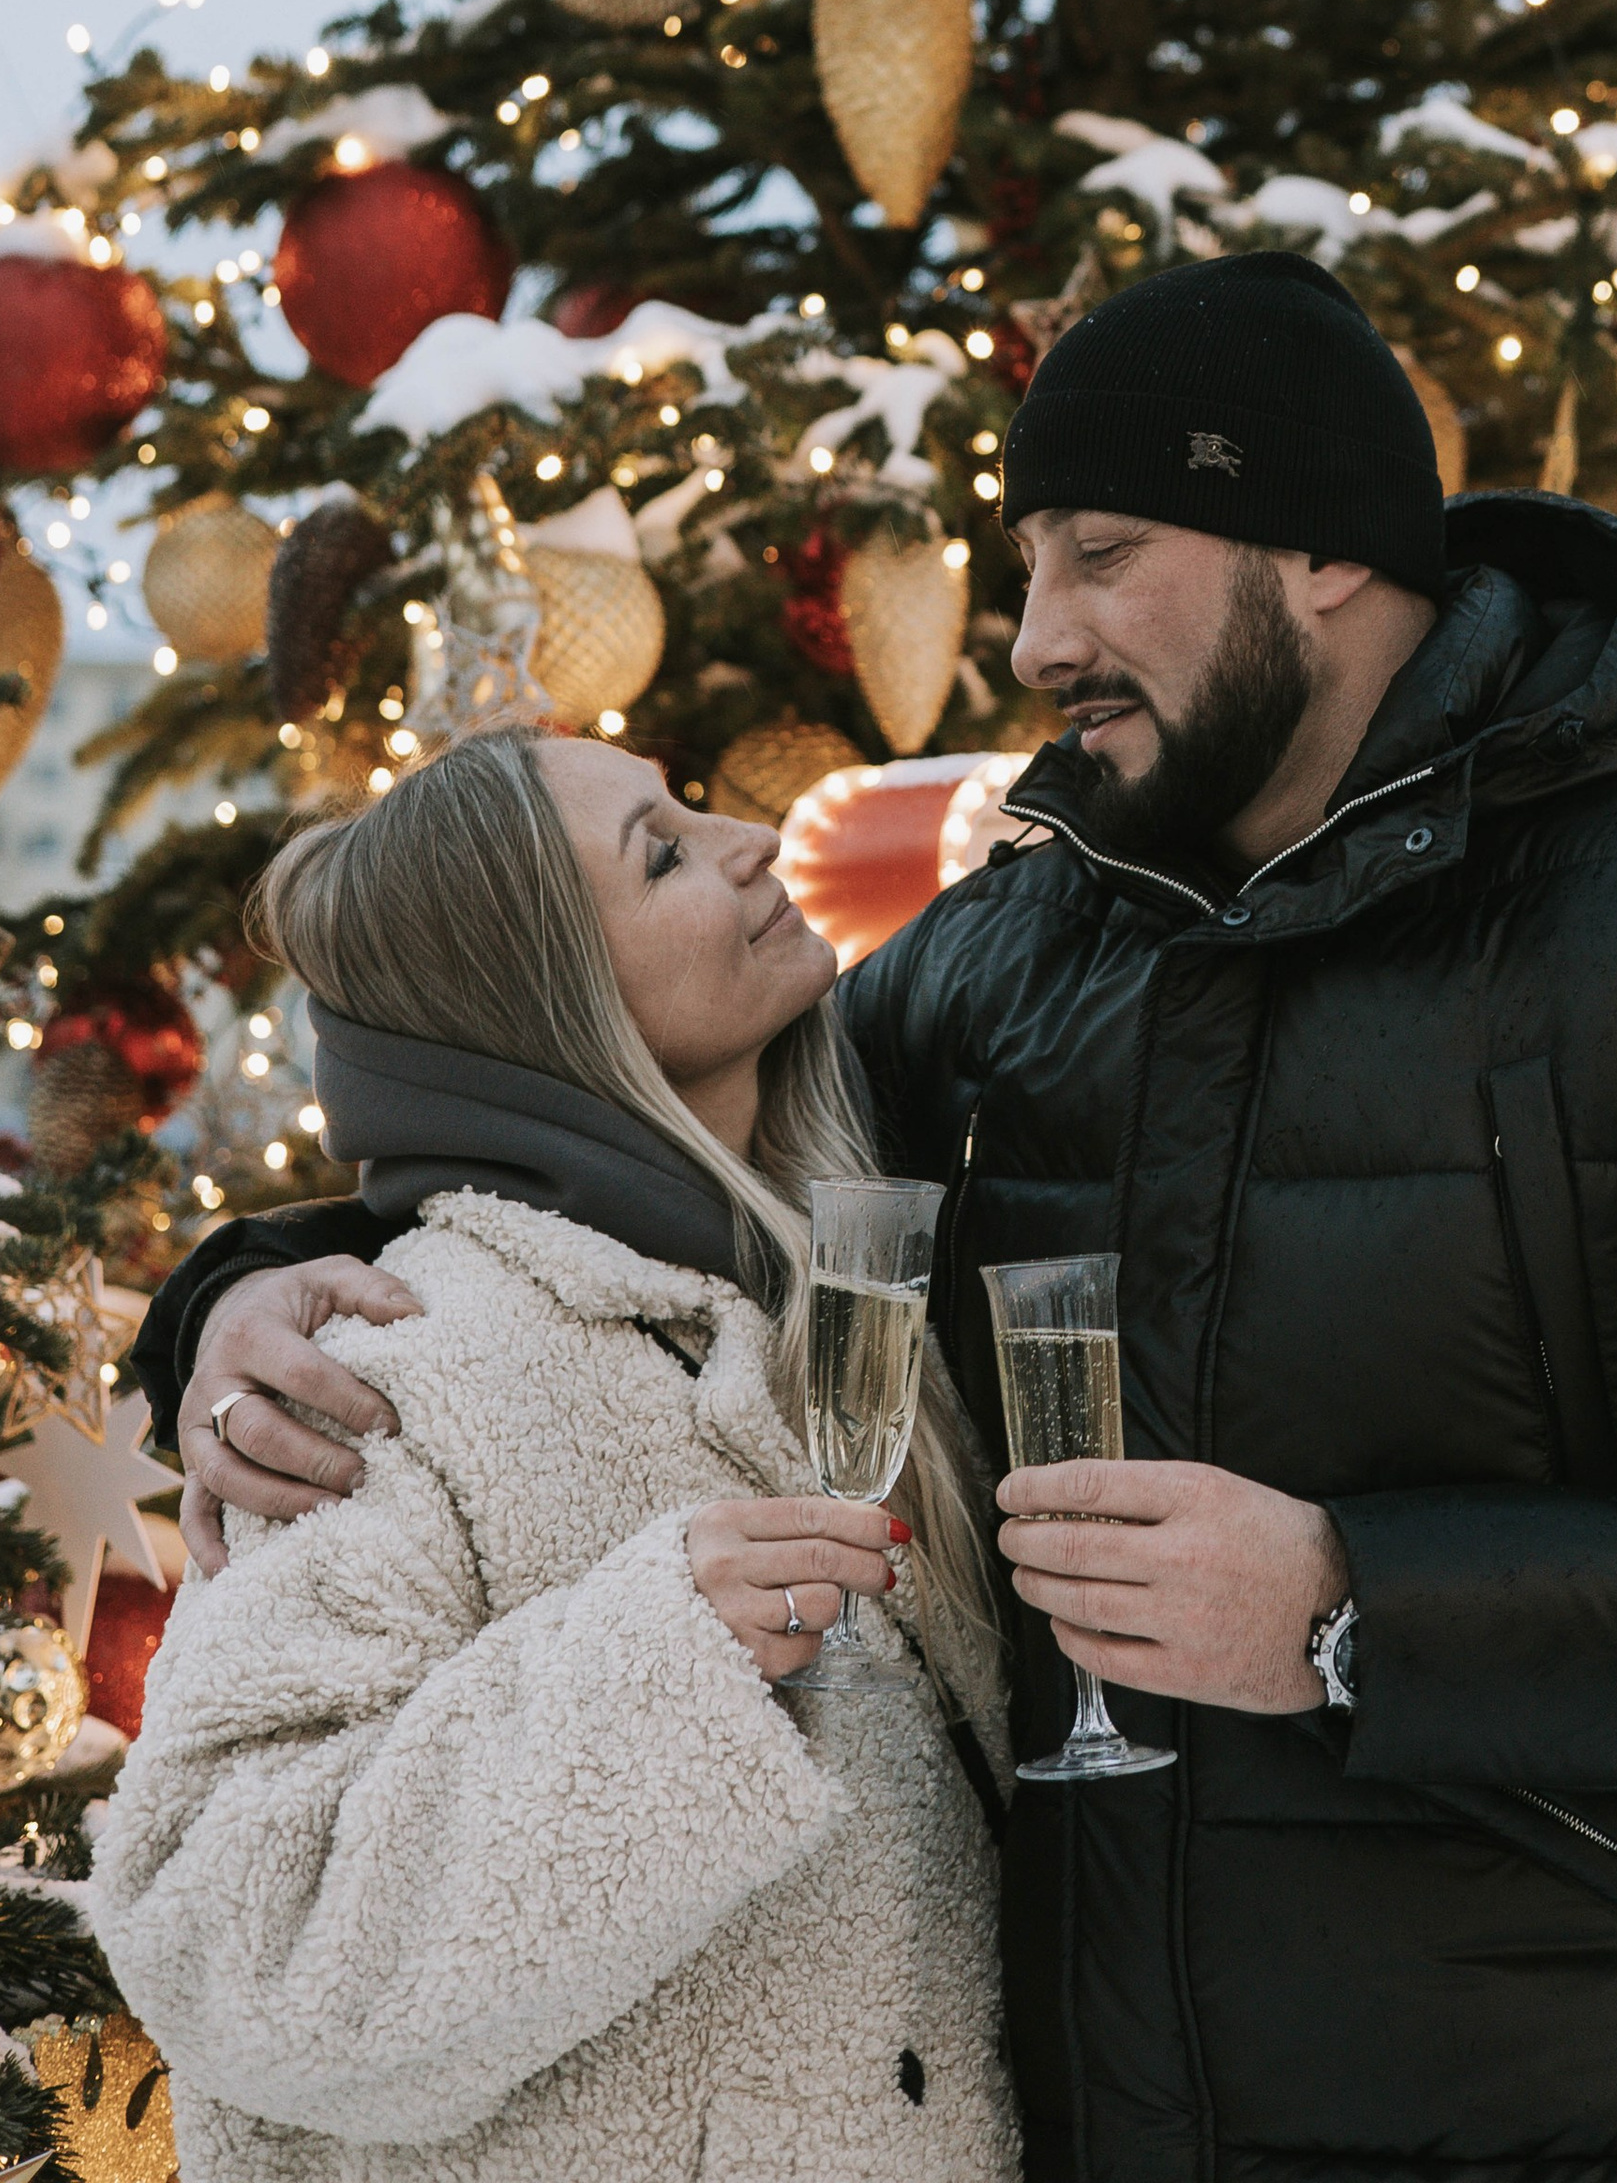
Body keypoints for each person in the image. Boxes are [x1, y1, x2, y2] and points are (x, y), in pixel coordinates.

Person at [140, 253, 1617, 2183]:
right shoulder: (1011, 960)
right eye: (1027, 566)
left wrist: (1352, 1608)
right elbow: (655, 1156)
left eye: (1099, 554)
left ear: (1318, 545)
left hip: (1605, 2132)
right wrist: (248, 1292)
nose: (1032, 639)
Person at [95, 726, 1016, 2183]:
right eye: (662, 854)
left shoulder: (837, 1298)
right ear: (546, 1004)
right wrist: (661, 1669)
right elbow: (224, 1941)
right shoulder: (391, 1377)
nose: (754, 840)